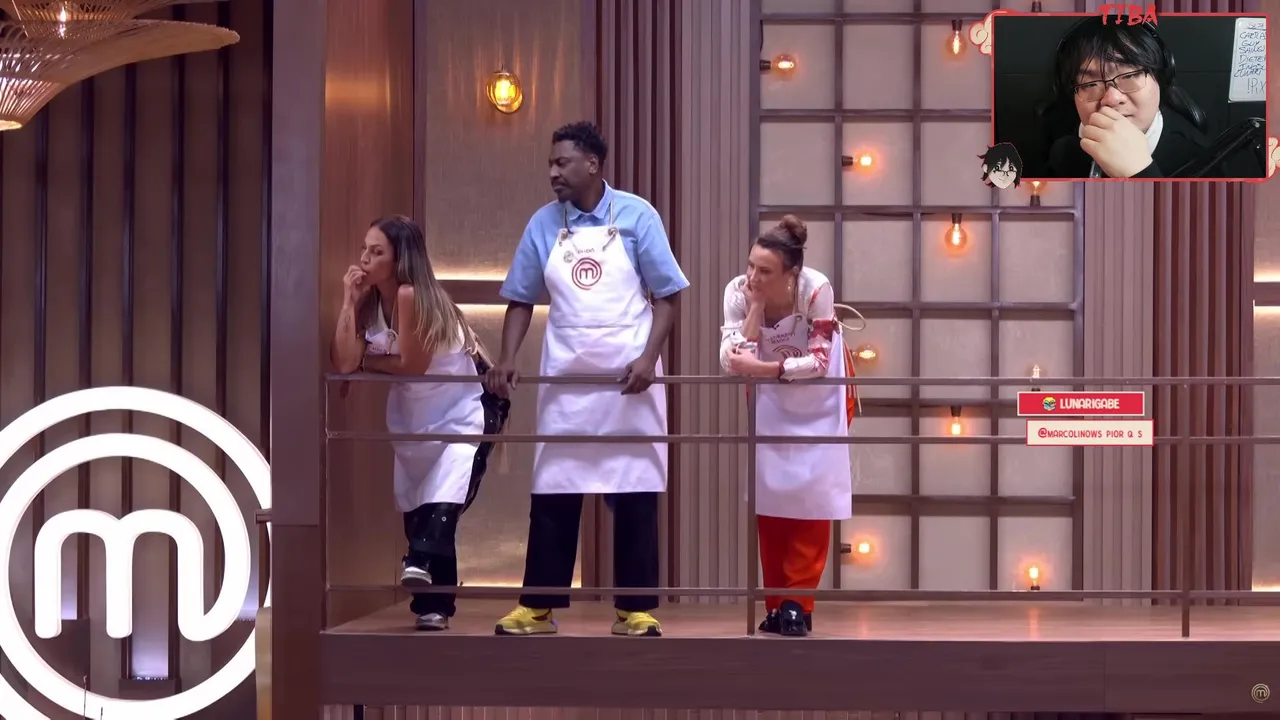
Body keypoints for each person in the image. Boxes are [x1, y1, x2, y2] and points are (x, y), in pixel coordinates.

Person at [483, 121, 688, 637]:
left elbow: (668, 296)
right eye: (551, 164)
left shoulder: (638, 215)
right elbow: (520, 299)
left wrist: (648, 359)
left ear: (592, 165)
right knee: (554, 489)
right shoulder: (542, 224)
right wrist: (507, 358)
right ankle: (537, 608)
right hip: (567, 379)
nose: (553, 172)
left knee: (636, 489)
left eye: (562, 163)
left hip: (629, 379)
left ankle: (635, 609)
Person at [329, 215, 510, 631]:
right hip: (415, 419)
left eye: (377, 252)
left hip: (463, 412)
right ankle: (433, 607)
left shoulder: (411, 295)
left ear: (400, 259)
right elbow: (342, 362)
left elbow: (411, 365)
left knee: (443, 501)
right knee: (419, 504)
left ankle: (419, 562)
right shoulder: (372, 301)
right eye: (365, 249)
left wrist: (367, 360)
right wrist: (348, 302)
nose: (365, 259)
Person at [719, 215, 853, 637]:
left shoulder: (816, 288)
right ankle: (776, 602)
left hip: (819, 395)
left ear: (791, 274)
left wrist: (765, 368)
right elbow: (730, 358)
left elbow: (818, 361)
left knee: (812, 500)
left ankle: (799, 602)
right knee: (772, 498)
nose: (752, 277)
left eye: (765, 271)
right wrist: (756, 309)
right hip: (771, 398)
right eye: (750, 266)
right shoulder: (738, 293)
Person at [1044, 15, 1213, 179]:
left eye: (1129, 76)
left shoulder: (1201, 161)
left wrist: (1142, 174)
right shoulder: (1063, 146)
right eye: (1090, 84)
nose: (1111, 99)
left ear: (1160, 77)